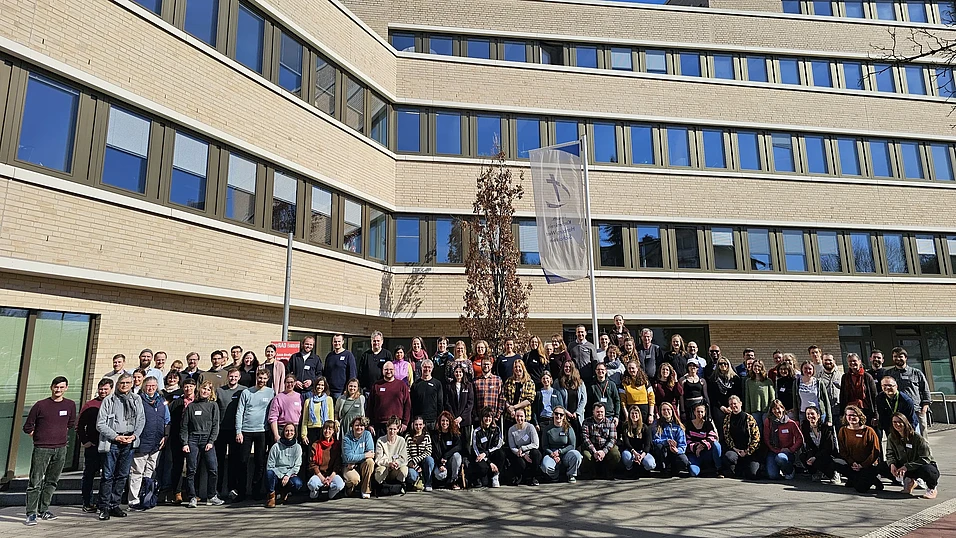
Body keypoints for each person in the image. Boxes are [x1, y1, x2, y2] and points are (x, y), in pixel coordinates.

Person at [22, 376, 76, 526]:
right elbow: (27, 426)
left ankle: (44, 509)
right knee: (35, 481)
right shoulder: (40, 405)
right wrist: (39, 435)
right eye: (56, 387)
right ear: (51, 387)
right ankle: (31, 513)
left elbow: (70, 424)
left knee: (52, 481)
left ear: (66, 388)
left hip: (61, 448)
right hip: (42, 449)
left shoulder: (70, 405)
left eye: (61, 387)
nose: (58, 390)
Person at [96, 373, 145, 520]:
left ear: (132, 384)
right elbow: (100, 424)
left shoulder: (136, 399)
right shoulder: (109, 400)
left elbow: (141, 419)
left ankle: (114, 505)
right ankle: (103, 507)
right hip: (113, 441)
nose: (124, 385)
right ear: (117, 384)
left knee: (123, 475)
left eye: (128, 383)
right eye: (122, 383)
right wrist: (116, 436)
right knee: (107, 475)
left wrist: (134, 435)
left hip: (129, 441)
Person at [128, 376, 169, 511]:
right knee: (137, 471)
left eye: (153, 385)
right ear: (143, 386)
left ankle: (146, 497)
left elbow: (167, 420)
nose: (151, 388)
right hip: (142, 442)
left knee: (150, 471)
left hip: (157, 443)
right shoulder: (138, 400)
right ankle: (133, 500)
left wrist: (165, 435)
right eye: (148, 385)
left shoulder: (161, 401)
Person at [181, 381, 223, 508]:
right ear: (199, 390)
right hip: (192, 439)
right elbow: (184, 426)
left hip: (207, 439)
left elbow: (216, 425)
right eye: (204, 389)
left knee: (213, 469)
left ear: (211, 392)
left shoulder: (213, 405)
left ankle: (212, 496)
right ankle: (192, 496)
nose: (205, 391)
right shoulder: (191, 406)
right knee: (191, 470)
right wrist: (185, 442)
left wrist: (211, 441)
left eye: (209, 389)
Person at [235, 369, 274, 501]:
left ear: (267, 379)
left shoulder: (271, 392)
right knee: (242, 462)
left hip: (262, 431)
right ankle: (242, 492)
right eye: (259, 377)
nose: (261, 380)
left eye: (264, 378)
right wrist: (238, 431)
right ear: (256, 377)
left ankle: (256, 491)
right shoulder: (246, 392)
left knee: (260, 462)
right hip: (246, 431)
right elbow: (240, 412)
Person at [886, 412, 939, 499]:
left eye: (900, 422)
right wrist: (892, 464)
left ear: (905, 423)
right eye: (894, 422)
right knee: (882, 467)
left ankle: (932, 488)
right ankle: (910, 481)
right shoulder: (891, 437)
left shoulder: (917, 438)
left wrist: (907, 467)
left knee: (929, 471)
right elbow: (889, 453)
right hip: (903, 465)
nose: (897, 424)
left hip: (918, 465)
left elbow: (925, 458)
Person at [79, 379, 112, 513]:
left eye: (106, 389)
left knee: (107, 475)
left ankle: (103, 502)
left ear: (111, 389)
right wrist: (85, 441)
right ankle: (87, 502)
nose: (103, 391)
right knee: (89, 475)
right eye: (101, 389)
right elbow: (80, 425)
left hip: (109, 445)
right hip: (92, 445)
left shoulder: (114, 404)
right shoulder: (89, 405)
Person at [835, 404, 883, 493]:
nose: (851, 417)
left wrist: (862, 465)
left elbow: (875, 452)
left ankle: (873, 480)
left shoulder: (869, 431)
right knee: (834, 463)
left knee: (861, 488)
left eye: (854, 415)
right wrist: (852, 462)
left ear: (859, 416)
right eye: (848, 415)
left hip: (867, 464)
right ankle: (854, 478)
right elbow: (842, 450)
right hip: (852, 464)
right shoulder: (843, 431)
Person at [887, 347, 932, 437]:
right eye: (895, 356)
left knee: (921, 438)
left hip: (916, 410)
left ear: (906, 358)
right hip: (898, 412)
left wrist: (924, 408)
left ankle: (925, 452)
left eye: (900, 356)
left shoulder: (916, 373)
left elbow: (925, 390)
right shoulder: (889, 374)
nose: (898, 358)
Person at [215, 368, 245, 498]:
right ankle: (217, 489)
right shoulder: (220, 391)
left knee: (234, 461)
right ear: (227, 377)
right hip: (221, 430)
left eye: (235, 376)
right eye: (231, 376)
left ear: (239, 377)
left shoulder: (243, 390)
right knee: (219, 461)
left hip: (236, 430)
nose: (233, 378)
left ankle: (232, 488)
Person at [163, 377, 195, 504]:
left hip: (193, 437)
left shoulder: (197, 402)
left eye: (191, 386)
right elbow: (169, 419)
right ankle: (177, 492)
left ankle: (191, 491)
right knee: (177, 465)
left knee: (192, 466)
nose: (188, 389)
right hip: (176, 436)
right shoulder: (177, 402)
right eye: (186, 386)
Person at [721, 395, 761, 480]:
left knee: (752, 474)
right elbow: (727, 437)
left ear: (740, 404)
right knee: (729, 456)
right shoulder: (727, 419)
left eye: (735, 403)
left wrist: (747, 451)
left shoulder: (749, 418)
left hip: (749, 451)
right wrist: (735, 449)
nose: (733, 406)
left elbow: (756, 438)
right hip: (736, 450)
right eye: (731, 404)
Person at [763, 399, 803, 480]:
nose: (776, 411)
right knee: (772, 476)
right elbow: (766, 439)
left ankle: (789, 470)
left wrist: (791, 449)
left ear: (783, 408)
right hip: (774, 451)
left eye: (778, 408)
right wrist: (775, 450)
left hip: (787, 452)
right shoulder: (768, 422)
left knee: (780, 458)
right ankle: (779, 470)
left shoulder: (791, 423)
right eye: (774, 409)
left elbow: (800, 438)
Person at [265, 423, 304, 507]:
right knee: (269, 473)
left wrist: (287, 475)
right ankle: (271, 497)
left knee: (298, 484)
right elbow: (270, 465)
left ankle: (285, 491)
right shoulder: (276, 447)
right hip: (277, 473)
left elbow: (297, 465)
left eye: (291, 431)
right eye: (287, 431)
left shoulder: (297, 447)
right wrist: (281, 475)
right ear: (283, 432)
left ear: (295, 433)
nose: (289, 433)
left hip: (289, 474)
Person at [368, 361, 411, 436]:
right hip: (380, 425)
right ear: (382, 371)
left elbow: (407, 405)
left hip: (397, 425)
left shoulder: (401, 385)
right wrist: (370, 424)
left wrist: (405, 422)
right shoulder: (376, 385)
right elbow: (370, 406)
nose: (388, 371)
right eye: (386, 369)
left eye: (391, 369)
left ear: (394, 370)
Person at [540, 406, 582, 483]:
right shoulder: (547, 429)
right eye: (556, 413)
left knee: (577, 455)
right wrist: (552, 454)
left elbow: (572, 445)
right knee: (545, 466)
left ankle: (571, 474)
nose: (558, 416)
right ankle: (555, 476)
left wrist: (560, 452)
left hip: (565, 453)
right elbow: (545, 446)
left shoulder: (568, 428)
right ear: (553, 414)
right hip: (551, 454)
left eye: (561, 414)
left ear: (564, 416)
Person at [800, 405, 840, 484]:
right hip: (815, 452)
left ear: (818, 416)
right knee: (803, 457)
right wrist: (811, 456)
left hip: (827, 453)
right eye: (808, 414)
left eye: (812, 414)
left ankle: (834, 473)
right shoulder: (805, 427)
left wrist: (815, 457)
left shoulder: (826, 428)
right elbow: (808, 445)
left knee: (819, 460)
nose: (810, 416)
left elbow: (829, 448)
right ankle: (816, 473)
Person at [581, 402, 621, 479]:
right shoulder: (586, 422)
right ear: (593, 412)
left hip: (605, 447)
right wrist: (594, 451)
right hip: (592, 447)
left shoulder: (610, 423)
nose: (600, 413)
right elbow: (585, 438)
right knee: (586, 456)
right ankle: (592, 472)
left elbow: (613, 439)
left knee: (615, 454)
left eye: (602, 412)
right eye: (598, 412)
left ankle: (609, 470)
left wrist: (604, 451)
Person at [308, 420, 344, 500]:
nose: (327, 431)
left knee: (340, 484)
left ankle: (331, 494)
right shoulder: (316, 445)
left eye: (330, 429)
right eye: (325, 429)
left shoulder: (337, 445)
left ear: (333, 431)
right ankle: (315, 492)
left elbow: (338, 463)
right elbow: (313, 464)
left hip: (332, 474)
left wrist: (330, 478)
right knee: (312, 484)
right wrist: (322, 478)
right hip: (319, 475)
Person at [840, 353, 879, 428]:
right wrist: (842, 414)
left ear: (859, 361)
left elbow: (874, 396)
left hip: (866, 410)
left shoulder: (867, 377)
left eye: (854, 361)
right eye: (850, 361)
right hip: (850, 411)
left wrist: (876, 415)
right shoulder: (845, 377)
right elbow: (842, 396)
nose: (852, 363)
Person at [708, 355, 741, 441]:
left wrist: (731, 406)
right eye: (721, 364)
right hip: (719, 407)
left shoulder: (735, 378)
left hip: (732, 407)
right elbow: (712, 396)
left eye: (725, 363)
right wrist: (721, 407)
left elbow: (738, 394)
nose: (723, 365)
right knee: (721, 429)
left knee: (734, 429)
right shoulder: (713, 379)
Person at [470, 406, 505, 487]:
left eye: (489, 417)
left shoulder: (496, 429)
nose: (487, 419)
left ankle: (495, 475)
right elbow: (476, 449)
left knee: (501, 454)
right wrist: (489, 462)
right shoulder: (477, 431)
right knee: (484, 479)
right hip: (482, 458)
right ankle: (485, 476)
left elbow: (498, 445)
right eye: (485, 417)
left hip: (491, 454)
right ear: (482, 418)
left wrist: (486, 453)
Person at [652, 401, 689, 476]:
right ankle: (663, 468)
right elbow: (654, 440)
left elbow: (683, 444)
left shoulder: (678, 425)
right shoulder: (656, 424)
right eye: (664, 410)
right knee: (659, 447)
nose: (666, 412)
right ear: (660, 412)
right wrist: (666, 441)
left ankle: (675, 469)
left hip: (675, 450)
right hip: (663, 449)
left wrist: (677, 450)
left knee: (684, 461)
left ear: (672, 411)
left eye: (668, 409)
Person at [341, 416, 375, 499]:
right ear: (352, 426)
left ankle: (365, 490)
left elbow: (371, 453)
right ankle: (349, 489)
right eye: (356, 425)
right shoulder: (346, 438)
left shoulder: (367, 435)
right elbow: (348, 457)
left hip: (360, 464)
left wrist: (355, 458)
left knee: (370, 462)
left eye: (361, 426)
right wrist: (364, 455)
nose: (359, 428)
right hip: (348, 466)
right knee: (354, 479)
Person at [507, 408, 542, 486]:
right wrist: (522, 454)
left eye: (521, 416)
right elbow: (512, 447)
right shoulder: (511, 430)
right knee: (520, 463)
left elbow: (536, 444)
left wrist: (523, 449)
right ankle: (523, 478)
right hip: (519, 454)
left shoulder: (530, 427)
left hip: (530, 452)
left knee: (536, 453)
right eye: (517, 416)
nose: (519, 418)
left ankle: (534, 478)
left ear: (525, 417)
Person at [444, 364, 475, 451]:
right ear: (453, 373)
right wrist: (454, 418)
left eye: (460, 372)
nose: (458, 374)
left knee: (466, 445)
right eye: (456, 372)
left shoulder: (468, 385)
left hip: (465, 421)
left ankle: (466, 463)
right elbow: (447, 403)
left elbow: (470, 403)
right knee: (455, 445)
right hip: (453, 421)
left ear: (463, 373)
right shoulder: (449, 386)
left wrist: (461, 418)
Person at [686, 403, 721, 477]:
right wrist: (696, 447)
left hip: (705, 452)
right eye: (698, 411)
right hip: (694, 453)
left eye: (702, 412)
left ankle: (719, 469)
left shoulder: (708, 424)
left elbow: (713, 437)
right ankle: (702, 469)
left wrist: (702, 445)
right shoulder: (688, 424)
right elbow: (687, 440)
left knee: (716, 445)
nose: (700, 414)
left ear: (705, 413)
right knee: (693, 472)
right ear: (694, 412)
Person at [374, 416, 409, 489]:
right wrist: (389, 463)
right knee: (380, 471)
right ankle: (381, 486)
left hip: (396, 467)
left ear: (398, 429)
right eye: (390, 429)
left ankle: (398, 486)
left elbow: (404, 458)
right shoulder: (380, 441)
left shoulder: (401, 440)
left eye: (394, 429)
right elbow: (378, 459)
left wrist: (397, 463)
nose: (392, 432)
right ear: (387, 428)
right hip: (385, 466)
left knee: (404, 469)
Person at [501, 358, 536, 431]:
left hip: (524, 416)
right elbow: (504, 396)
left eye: (519, 367)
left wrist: (514, 407)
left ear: (523, 368)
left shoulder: (529, 382)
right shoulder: (509, 381)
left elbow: (529, 399)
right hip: (510, 416)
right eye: (515, 367)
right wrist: (510, 409)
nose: (517, 369)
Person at [620, 405, 655, 476]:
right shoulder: (625, 426)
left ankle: (643, 468)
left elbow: (647, 445)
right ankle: (629, 468)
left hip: (642, 451)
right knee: (626, 457)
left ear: (639, 415)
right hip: (630, 451)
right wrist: (634, 452)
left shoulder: (645, 428)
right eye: (632, 413)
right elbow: (626, 442)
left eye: (636, 413)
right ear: (629, 415)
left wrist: (641, 456)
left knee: (650, 464)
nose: (634, 415)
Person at [432, 411, 463, 488]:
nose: (444, 423)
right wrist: (440, 464)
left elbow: (458, 446)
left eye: (447, 421)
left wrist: (446, 456)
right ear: (439, 422)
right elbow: (435, 451)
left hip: (450, 461)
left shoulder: (454, 433)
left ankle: (454, 480)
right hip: (440, 461)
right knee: (440, 475)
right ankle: (445, 482)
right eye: (442, 420)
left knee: (457, 456)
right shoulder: (435, 435)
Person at [269, 374, 302, 443]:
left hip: (296, 428)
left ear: (295, 383)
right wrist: (276, 435)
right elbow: (273, 417)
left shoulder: (299, 397)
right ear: (284, 383)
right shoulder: (278, 398)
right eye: (288, 382)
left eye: (291, 382)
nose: (290, 384)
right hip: (282, 428)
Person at [411, 359, 444, 428]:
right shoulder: (415, 384)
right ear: (421, 368)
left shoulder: (437, 384)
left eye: (429, 367)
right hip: (419, 422)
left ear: (432, 369)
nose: (427, 369)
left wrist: (439, 419)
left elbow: (440, 403)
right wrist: (412, 420)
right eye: (425, 367)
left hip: (433, 421)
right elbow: (412, 403)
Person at [301, 376, 335, 445]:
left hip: (325, 430)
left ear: (325, 387)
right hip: (312, 431)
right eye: (318, 384)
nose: (320, 387)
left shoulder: (329, 400)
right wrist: (303, 435)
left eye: (322, 385)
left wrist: (331, 432)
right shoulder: (308, 401)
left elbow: (331, 418)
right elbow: (305, 419)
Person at [560, 360, 587, 443]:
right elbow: (557, 400)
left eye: (569, 367)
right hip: (564, 415)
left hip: (577, 416)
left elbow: (584, 399)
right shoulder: (558, 382)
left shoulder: (580, 383)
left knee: (578, 437)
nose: (567, 368)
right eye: (565, 367)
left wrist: (577, 412)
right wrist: (565, 412)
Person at [620, 360, 655, 425]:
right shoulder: (624, 384)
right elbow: (623, 401)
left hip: (645, 411)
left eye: (633, 368)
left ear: (637, 368)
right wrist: (626, 415)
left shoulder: (645, 382)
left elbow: (651, 398)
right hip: (631, 410)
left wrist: (651, 414)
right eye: (629, 368)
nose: (631, 370)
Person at [405, 417, 435, 491]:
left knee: (430, 460)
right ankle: (416, 483)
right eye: (416, 424)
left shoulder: (427, 436)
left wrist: (416, 460)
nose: (418, 427)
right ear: (413, 425)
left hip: (423, 462)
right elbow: (405, 452)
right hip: (412, 464)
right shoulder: (408, 436)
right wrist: (414, 465)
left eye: (420, 424)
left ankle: (428, 483)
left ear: (424, 425)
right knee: (412, 475)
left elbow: (428, 451)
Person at [324, 334, 357, 398]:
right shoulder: (329, 356)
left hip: (341, 392)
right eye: (335, 341)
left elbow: (352, 374)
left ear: (343, 342)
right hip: (329, 391)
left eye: (339, 341)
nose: (337, 343)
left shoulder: (348, 355)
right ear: (332, 342)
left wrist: (347, 390)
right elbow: (325, 373)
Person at [473, 356, 503, 424]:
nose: (486, 366)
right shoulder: (475, 381)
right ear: (481, 365)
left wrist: (498, 415)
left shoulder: (497, 380)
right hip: (479, 418)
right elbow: (473, 399)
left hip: (493, 417)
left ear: (491, 365)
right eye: (484, 364)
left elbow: (501, 399)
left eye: (488, 364)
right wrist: (475, 415)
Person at [744, 359, 773, 427]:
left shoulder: (768, 381)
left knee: (766, 427)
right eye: (755, 366)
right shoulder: (749, 382)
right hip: (754, 410)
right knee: (757, 428)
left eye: (759, 366)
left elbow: (772, 397)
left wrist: (771, 409)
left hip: (766, 410)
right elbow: (747, 397)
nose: (756, 368)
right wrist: (747, 411)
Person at [817, 353, 842, 420]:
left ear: (834, 361)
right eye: (825, 360)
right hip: (825, 411)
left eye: (830, 360)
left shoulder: (841, 375)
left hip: (839, 409)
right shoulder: (818, 377)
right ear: (822, 361)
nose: (828, 362)